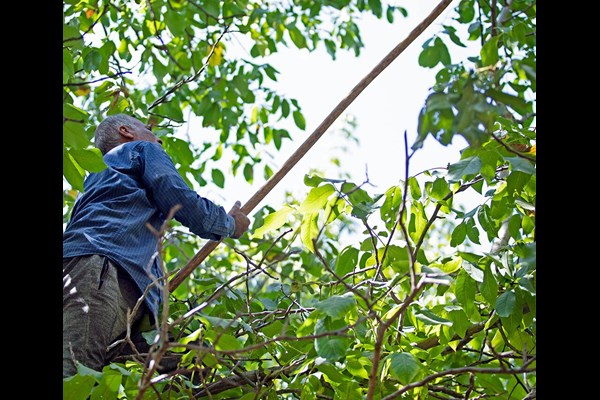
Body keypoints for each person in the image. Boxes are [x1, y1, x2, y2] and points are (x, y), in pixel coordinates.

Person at [63, 113, 251, 378]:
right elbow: (177, 196)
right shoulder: (139, 149)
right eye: (148, 129)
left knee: (194, 357)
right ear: (126, 131)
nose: (158, 138)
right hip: (100, 271)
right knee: (74, 378)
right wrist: (229, 224)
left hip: (93, 281)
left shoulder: (93, 179)